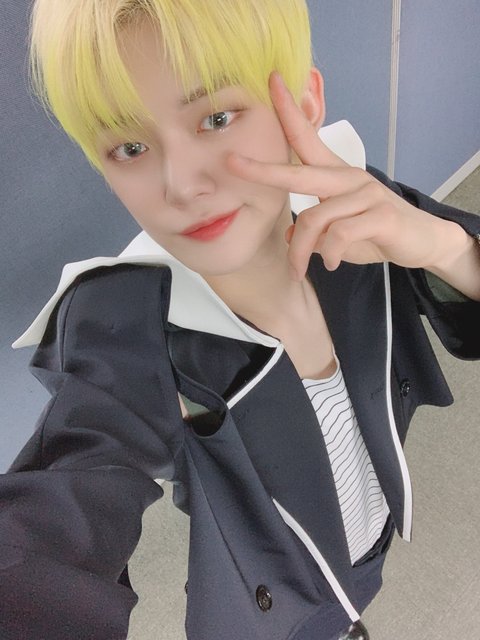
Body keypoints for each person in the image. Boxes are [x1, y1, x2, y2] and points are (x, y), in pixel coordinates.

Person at [2, 0, 480, 638]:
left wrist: (447, 247)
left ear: (304, 104)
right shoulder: (122, 321)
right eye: (130, 147)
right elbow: (58, 510)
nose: (181, 185)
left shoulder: (353, 207)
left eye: (217, 118)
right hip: (275, 608)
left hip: (371, 538)